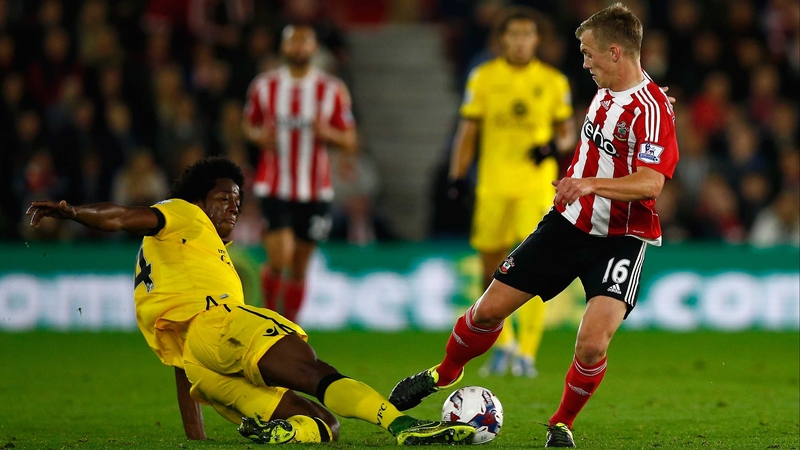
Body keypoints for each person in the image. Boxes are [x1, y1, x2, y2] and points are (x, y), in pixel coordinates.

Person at [26, 157, 475, 445]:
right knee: (316, 373)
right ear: (198, 199)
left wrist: (194, 437)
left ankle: (278, 432)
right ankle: (403, 427)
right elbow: (125, 216)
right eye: (223, 198)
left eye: (237, 202)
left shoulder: (174, 259)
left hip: (203, 368)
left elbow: (182, 366)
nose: (231, 208)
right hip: (219, 327)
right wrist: (73, 213)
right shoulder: (183, 213)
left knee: (322, 428)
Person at [389, 3, 679, 448]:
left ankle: (561, 423)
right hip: (567, 225)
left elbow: (650, 184)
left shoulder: (652, 110)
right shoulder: (608, 93)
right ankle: (444, 372)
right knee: (487, 311)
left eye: (589, 53)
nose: (584, 61)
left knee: (592, 344)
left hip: (620, 240)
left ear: (616, 53)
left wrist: (588, 184)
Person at [449, 7, 576, 379]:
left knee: (535, 261)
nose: (520, 41)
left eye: (527, 35)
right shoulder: (484, 77)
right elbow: (468, 131)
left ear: (537, 40)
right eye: (514, 35)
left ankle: (527, 352)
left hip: (536, 186)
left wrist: (552, 146)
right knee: (490, 266)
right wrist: (457, 176)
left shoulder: (553, 81)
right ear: (502, 39)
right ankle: (501, 346)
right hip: (493, 185)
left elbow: (567, 130)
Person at [243, 24, 356, 323]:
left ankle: (290, 328)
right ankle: (269, 321)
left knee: (299, 265)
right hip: (274, 185)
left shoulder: (331, 89)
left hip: (315, 189)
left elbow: (349, 138)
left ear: (314, 48)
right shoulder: (264, 87)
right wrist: (258, 137)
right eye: (293, 42)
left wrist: (327, 133)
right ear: (283, 48)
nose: (298, 48)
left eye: (304, 42)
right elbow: (249, 125)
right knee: (279, 259)